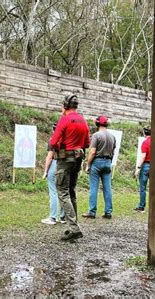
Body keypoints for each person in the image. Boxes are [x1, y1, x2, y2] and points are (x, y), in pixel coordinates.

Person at [50, 94, 90, 241]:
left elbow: (53, 141)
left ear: (65, 106)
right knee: (71, 191)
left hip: (65, 159)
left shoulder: (65, 119)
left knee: (62, 191)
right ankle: (73, 225)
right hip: (78, 159)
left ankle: (73, 228)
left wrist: (61, 144)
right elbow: (86, 143)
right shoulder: (83, 120)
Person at [82, 116, 116, 219]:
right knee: (107, 188)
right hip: (108, 162)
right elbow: (113, 152)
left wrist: (88, 164)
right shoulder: (112, 137)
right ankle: (108, 212)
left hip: (97, 162)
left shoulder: (96, 135)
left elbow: (92, 152)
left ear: (97, 124)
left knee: (94, 188)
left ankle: (92, 212)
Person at [41, 122, 65, 225]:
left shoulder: (53, 140)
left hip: (55, 164)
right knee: (64, 192)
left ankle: (53, 217)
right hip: (65, 165)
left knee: (53, 192)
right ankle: (63, 217)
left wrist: (46, 171)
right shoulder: (67, 140)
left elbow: (50, 157)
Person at [134, 126, 151, 213]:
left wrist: (138, 168)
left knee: (142, 187)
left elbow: (143, 156)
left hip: (146, 166)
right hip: (154, 166)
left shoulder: (145, 142)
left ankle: (141, 206)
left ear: (144, 133)